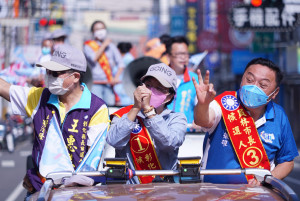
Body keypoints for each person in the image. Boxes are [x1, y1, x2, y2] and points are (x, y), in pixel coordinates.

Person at [0, 44, 109, 193]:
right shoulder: (40, 97)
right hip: (41, 188)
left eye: (55, 73)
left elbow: (92, 159)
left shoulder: (96, 108)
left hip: (78, 192)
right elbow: (6, 88)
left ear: (75, 77)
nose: (49, 76)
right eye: (48, 71)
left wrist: (68, 188)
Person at [193, 57, 299, 185]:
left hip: (258, 194)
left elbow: (287, 161)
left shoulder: (279, 116)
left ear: (275, 92)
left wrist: (267, 180)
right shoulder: (226, 102)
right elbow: (203, 120)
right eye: (249, 80)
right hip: (214, 192)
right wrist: (203, 104)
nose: (253, 87)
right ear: (242, 79)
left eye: (263, 85)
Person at [106, 63, 187, 184]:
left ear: (169, 97)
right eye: (148, 86)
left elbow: (169, 144)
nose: (151, 92)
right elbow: (113, 141)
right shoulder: (125, 114)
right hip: (128, 190)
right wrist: (135, 108)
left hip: (163, 190)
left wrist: (149, 111)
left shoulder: (176, 118)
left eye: (159, 88)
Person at [83, 20, 124, 106]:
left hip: (109, 83)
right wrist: (104, 45)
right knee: (95, 107)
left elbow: (121, 64)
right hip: (95, 83)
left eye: (102, 28)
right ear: (93, 32)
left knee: (109, 107)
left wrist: (116, 78)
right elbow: (94, 58)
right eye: (97, 29)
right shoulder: (88, 46)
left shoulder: (111, 46)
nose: (100, 31)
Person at [165, 36, 199, 132]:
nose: (183, 57)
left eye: (186, 54)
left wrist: (199, 121)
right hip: (162, 134)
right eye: (179, 54)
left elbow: (200, 106)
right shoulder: (159, 78)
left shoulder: (195, 79)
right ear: (168, 56)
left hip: (187, 135)